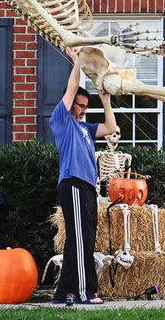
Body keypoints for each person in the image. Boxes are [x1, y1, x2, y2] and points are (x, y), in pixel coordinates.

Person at [50, 47, 118, 305]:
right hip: (73, 185)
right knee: (80, 241)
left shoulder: (86, 129)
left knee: (82, 241)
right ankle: (84, 292)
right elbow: (72, 87)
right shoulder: (61, 121)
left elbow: (111, 128)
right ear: (71, 105)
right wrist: (76, 60)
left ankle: (62, 294)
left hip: (88, 188)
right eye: (80, 106)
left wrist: (105, 100)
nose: (83, 110)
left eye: (86, 107)